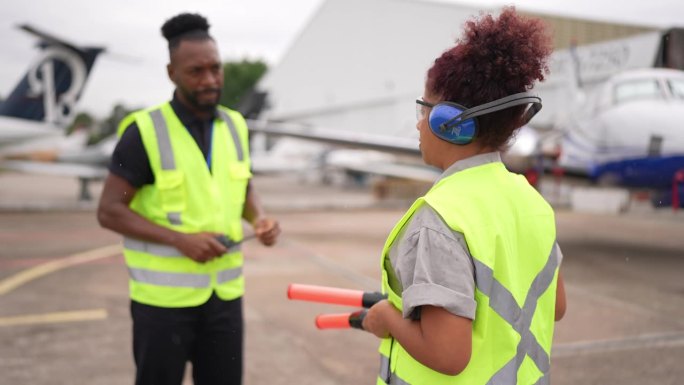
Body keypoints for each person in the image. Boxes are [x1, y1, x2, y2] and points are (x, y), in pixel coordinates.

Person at [361, 7, 566, 385]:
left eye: (425, 110)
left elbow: (448, 354)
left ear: (450, 123)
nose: (419, 124)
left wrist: (388, 318)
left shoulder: (441, 218)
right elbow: (555, 306)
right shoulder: (533, 203)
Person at [97, 13, 280, 385]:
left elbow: (243, 187)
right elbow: (109, 210)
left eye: (216, 68)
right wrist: (179, 240)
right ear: (171, 73)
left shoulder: (235, 125)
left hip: (225, 297)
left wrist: (259, 217)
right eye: (196, 71)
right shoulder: (143, 132)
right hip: (162, 305)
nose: (210, 80)